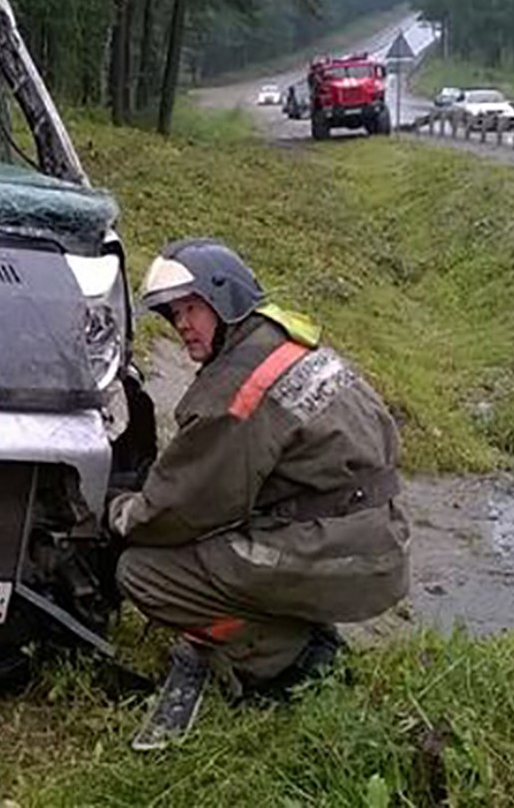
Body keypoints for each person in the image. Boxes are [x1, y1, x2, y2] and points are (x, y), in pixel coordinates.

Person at [108, 238, 410, 751]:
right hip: (379, 537)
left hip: (341, 555)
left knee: (144, 571)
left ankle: (286, 657)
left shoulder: (235, 389)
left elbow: (178, 509)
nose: (181, 324)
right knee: (231, 541)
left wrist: (118, 512)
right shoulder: (286, 341)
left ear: (225, 301)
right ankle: (293, 616)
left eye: (191, 308)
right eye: (173, 314)